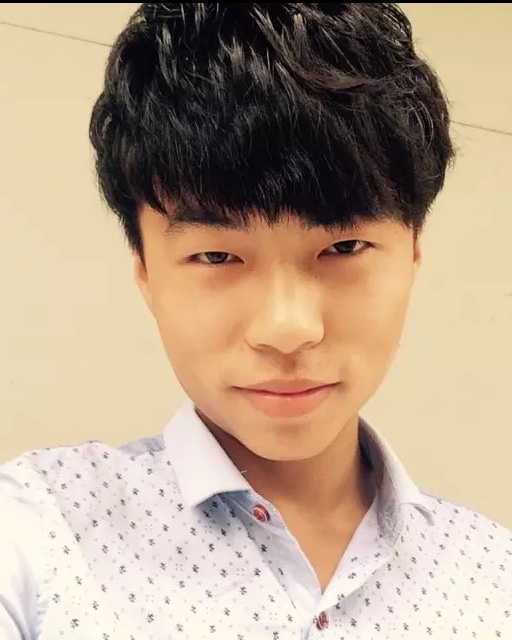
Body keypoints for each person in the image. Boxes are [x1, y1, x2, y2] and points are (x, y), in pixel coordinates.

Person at [1, 3, 510, 639]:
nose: (287, 327)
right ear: (146, 273)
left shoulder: (495, 579)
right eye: (217, 256)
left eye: (344, 247)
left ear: (412, 254)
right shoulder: (35, 532)